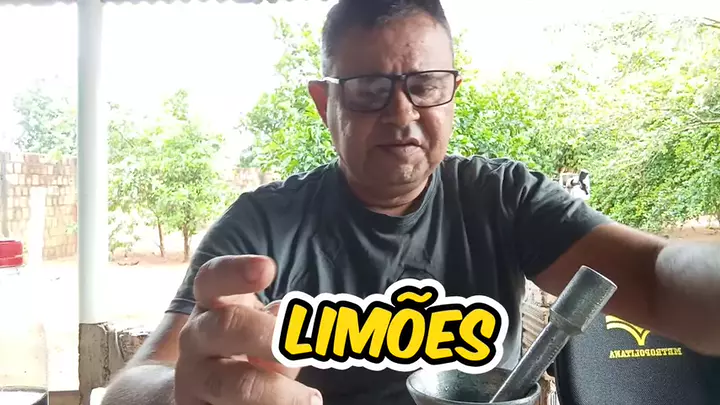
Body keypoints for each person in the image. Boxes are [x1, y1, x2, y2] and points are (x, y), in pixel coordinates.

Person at [100, 1, 720, 405]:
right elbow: (136, 381)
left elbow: (658, 277)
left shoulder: (503, 200)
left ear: (452, 92)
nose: (402, 114)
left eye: (425, 85)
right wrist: (183, 393)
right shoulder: (263, 225)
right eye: (369, 89)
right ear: (325, 103)